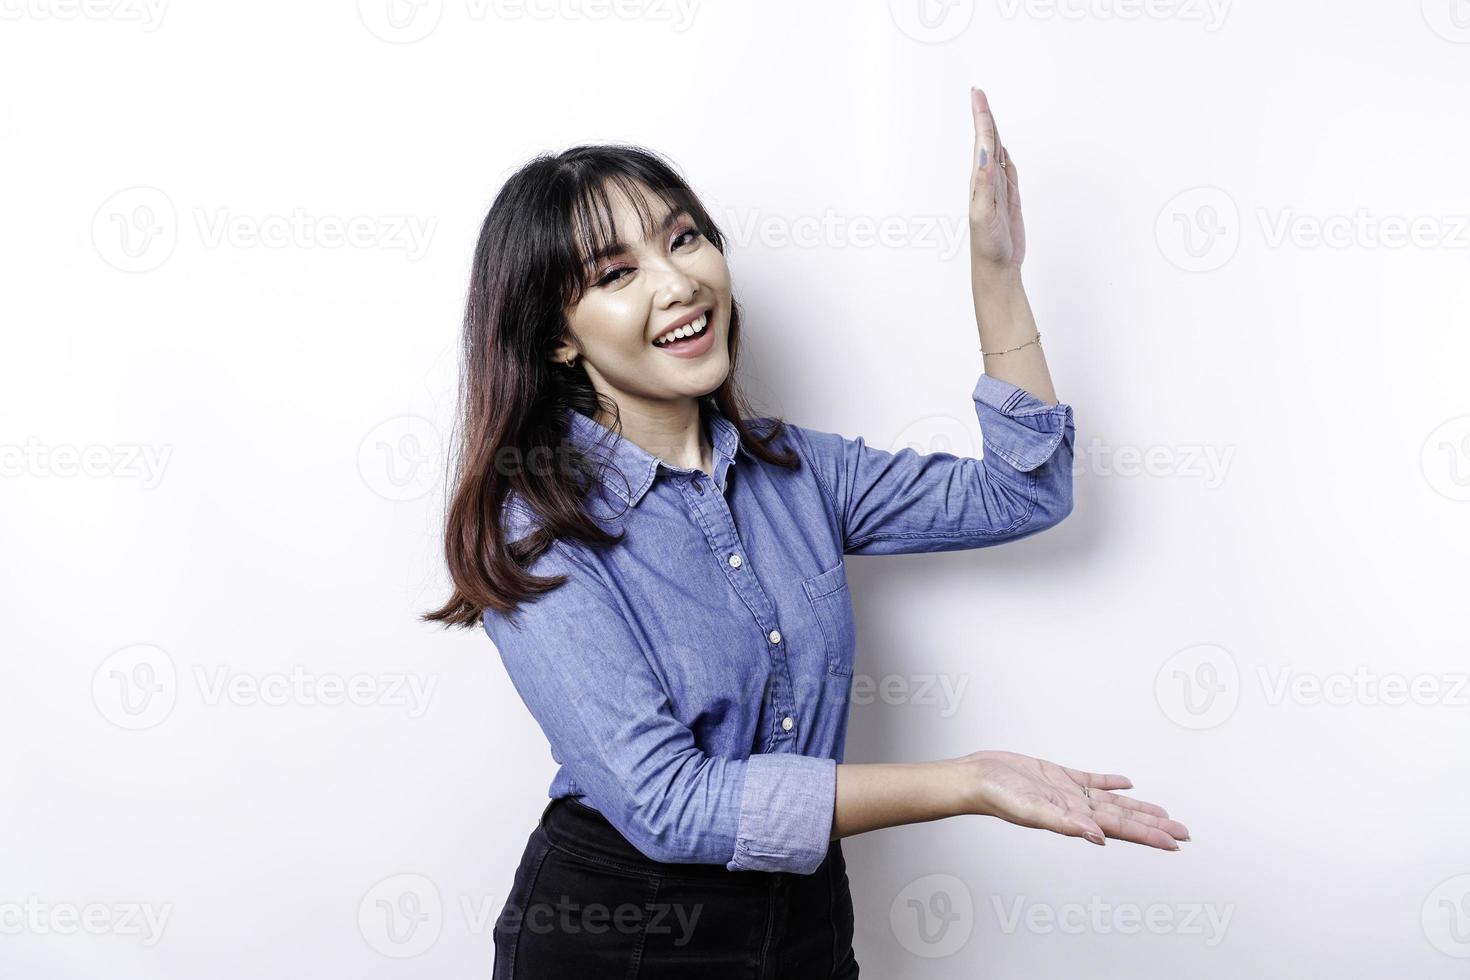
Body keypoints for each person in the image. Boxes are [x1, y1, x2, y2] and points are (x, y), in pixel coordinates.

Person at [425, 87, 1190, 978]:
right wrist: (968, 781)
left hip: (803, 921)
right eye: (614, 274)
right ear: (558, 338)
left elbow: (1025, 494)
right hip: (619, 933)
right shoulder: (537, 520)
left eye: (683, 238)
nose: (678, 283)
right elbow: (668, 804)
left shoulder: (800, 472)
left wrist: (996, 272)